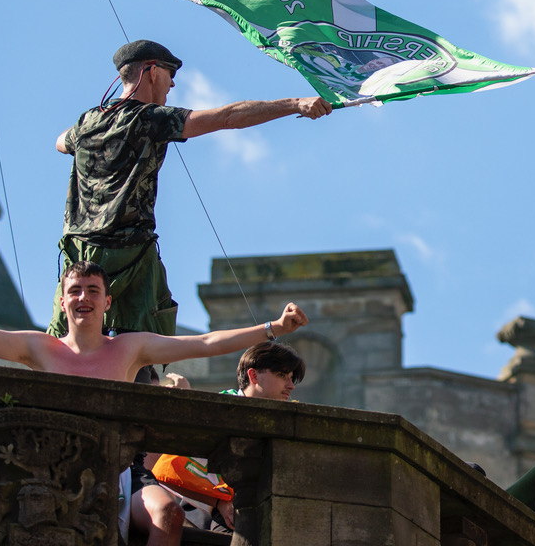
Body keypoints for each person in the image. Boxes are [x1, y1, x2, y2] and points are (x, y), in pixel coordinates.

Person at [0, 258, 308, 546]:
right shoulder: (39, 348)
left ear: (106, 300)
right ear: (62, 300)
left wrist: (273, 327)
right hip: (48, 472)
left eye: (92, 290)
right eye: (74, 291)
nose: (83, 297)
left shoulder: (129, 348)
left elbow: (206, 342)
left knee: (169, 516)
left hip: (118, 473)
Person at [49, 39, 333, 338]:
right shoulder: (150, 119)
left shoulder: (88, 121)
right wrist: (295, 104)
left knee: (63, 344)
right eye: (170, 74)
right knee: (143, 347)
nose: (172, 85)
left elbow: (60, 142)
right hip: (128, 254)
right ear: (152, 71)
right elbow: (228, 117)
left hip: (79, 252)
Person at [155, 342, 307, 532]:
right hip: (216, 515)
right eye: (282, 375)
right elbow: (167, 469)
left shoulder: (285, 420)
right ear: (253, 376)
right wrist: (218, 502)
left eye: (292, 378)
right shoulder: (216, 412)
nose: (291, 385)